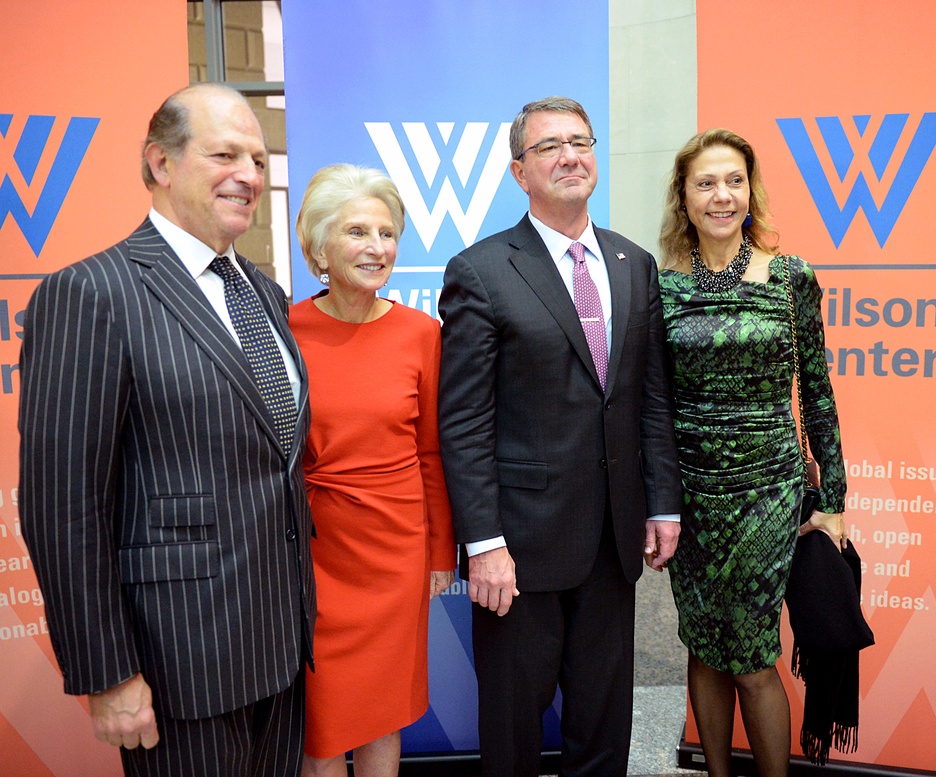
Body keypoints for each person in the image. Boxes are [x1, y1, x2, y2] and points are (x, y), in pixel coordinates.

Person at [18, 83, 316, 777]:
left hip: (280, 652)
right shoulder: (91, 292)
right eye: (224, 154)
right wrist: (109, 674)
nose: (248, 173)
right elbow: (64, 507)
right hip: (178, 667)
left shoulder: (265, 293)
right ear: (160, 162)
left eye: (258, 158)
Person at [437, 96, 683, 777]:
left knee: (603, 727)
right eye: (548, 146)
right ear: (520, 172)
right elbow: (462, 421)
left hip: (613, 540)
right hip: (519, 551)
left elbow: (650, 397)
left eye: (580, 141)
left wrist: (663, 501)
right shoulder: (481, 271)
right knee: (513, 732)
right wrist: (483, 545)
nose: (569, 155)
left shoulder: (634, 263)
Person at [656, 128, 848, 777]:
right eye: (706, 182)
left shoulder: (791, 276)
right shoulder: (661, 290)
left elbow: (817, 395)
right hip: (689, 497)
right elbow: (650, 406)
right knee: (704, 644)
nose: (722, 195)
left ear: (750, 190)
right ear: (683, 197)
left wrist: (835, 502)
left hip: (770, 493)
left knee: (753, 656)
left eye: (734, 180)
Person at [289, 164, 456, 777]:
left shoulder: (422, 334)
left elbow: (433, 453)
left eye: (387, 234)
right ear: (320, 247)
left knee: (384, 711)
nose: (377, 248)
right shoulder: (283, 329)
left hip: (397, 550)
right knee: (325, 716)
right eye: (358, 232)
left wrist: (442, 552)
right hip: (314, 551)